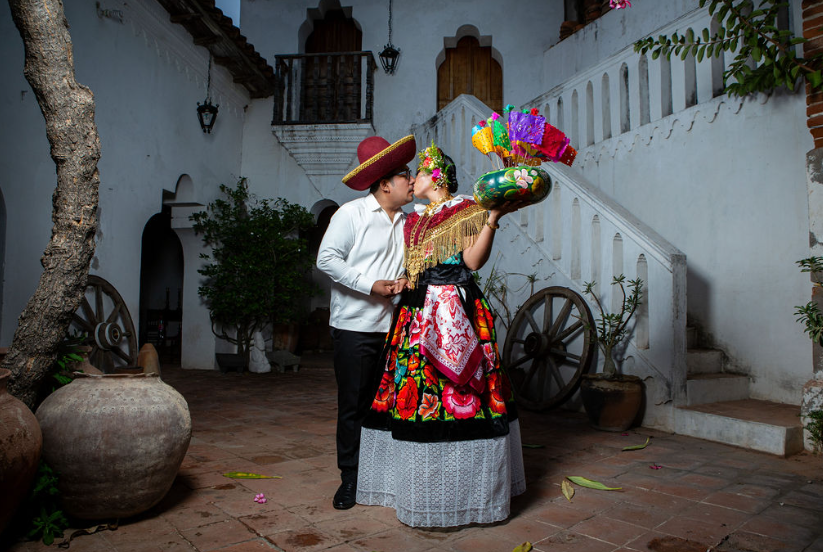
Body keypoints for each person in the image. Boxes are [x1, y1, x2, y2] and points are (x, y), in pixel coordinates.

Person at [356, 142, 527, 527]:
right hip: (416, 314)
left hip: (458, 310)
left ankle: (470, 495)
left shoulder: (467, 209)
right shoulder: (413, 219)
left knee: (465, 394)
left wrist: (493, 218)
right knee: (416, 396)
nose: (411, 178)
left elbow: (472, 262)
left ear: (434, 175)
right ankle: (418, 491)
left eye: (416, 172)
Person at [316, 134, 416, 510]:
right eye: (406, 174)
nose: (412, 179)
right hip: (355, 328)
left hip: (393, 329)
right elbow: (326, 259)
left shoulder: (410, 222)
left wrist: (405, 281)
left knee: (386, 406)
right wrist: (369, 285)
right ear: (386, 183)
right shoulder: (351, 214)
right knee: (354, 406)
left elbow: (410, 268)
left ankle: (380, 475)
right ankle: (350, 478)